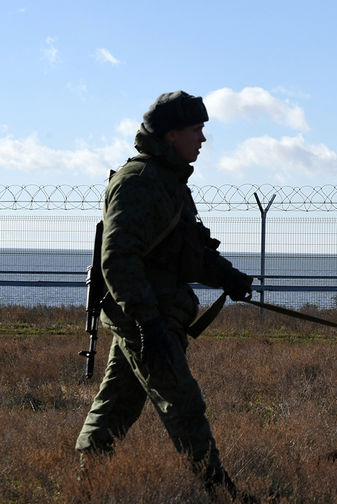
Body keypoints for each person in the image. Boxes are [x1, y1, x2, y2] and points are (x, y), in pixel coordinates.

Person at [75, 91, 254, 500]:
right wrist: (146, 322)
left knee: (115, 406)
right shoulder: (138, 183)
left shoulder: (168, 181)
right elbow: (118, 259)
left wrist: (229, 278)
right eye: (196, 130)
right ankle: (220, 490)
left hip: (153, 316)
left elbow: (187, 251)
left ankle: (84, 484)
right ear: (172, 134)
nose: (203, 140)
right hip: (146, 319)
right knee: (184, 403)